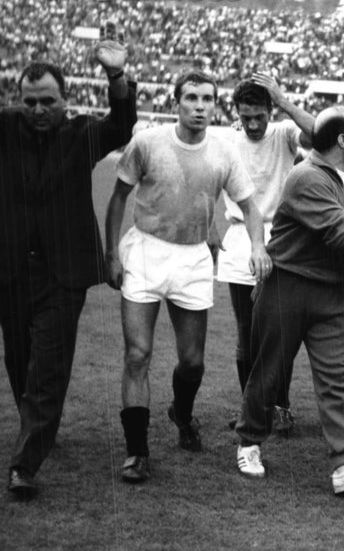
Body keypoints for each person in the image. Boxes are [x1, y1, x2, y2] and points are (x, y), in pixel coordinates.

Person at [234, 106, 344, 496]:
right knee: (270, 371)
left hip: (330, 289)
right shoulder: (306, 177)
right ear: (343, 141)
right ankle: (248, 442)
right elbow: (343, 234)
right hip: (286, 284)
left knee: (338, 377)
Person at [106, 71, 271, 484]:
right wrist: (111, 253)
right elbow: (118, 197)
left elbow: (250, 208)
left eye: (207, 99)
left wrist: (257, 246)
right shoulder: (148, 142)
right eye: (192, 98)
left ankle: (181, 413)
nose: (200, 106)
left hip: (194, 257)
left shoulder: (224, 152)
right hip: (145, 250)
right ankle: (137, 452)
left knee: (193, 363)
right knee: (137, 355)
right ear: (176, 102)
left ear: (215, 105)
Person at [0, 24, 136, 499]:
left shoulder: (82, 134)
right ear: (18, 100)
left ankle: (24, 465)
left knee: (49, 368)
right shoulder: (4, 128)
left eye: (48, 101)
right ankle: (37, 426)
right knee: (19, 361)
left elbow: (121, 125)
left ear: (65, 99)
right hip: (11, 271)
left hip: (64, 274)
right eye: (30, 102)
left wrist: (116, 77)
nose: (39, 110)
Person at [217, 74, 313, 436]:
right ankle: (251, 408)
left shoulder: (285, 133)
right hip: (240, 237)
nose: (253, 124)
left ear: (270, 111)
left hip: (282, 238)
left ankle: (280, 406)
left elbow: (319, 134)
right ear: (237, 113)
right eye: (246, 117)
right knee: (246, 333)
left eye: (260, 116)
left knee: (279, 331)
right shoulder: (227, 140)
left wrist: (284, 100)